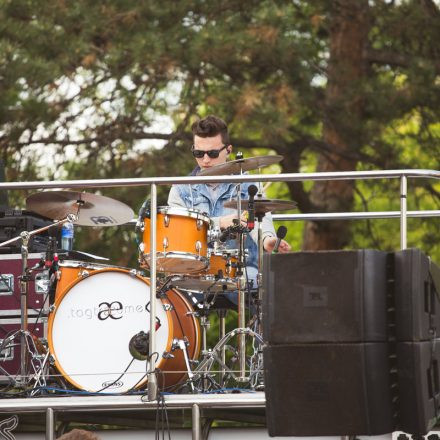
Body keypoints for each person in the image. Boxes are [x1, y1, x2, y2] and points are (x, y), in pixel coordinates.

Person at [167, 115, 290, 289]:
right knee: (171, 291)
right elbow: (178, 233)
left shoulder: (249, 185)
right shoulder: (180, 189)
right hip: (193, 271)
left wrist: (267, 240)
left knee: (268, 288)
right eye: (198, 153)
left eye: (213, 153)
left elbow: (261, 219)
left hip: (242, 269)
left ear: (228, 150)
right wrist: (219, 223)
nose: (206, 160)